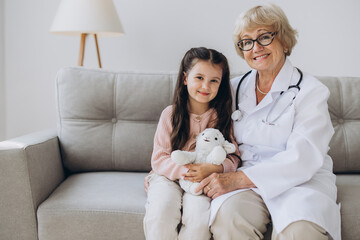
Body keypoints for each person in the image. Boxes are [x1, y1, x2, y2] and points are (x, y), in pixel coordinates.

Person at [195, 4, 341, 240]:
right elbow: (200, 133)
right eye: (247, 42)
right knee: (229, 218)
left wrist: (238, 179)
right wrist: (164, 171)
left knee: (300, 230)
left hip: (300, 182)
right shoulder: (232, 88)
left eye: (264, 37)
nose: (256, 48)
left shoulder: (311, 91)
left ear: (284, 41)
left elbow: (303, 157)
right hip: (245, 181)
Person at [143, 47, 241, 240]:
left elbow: (233, 156)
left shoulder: (222, 118)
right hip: (167, 177)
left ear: (221, 85)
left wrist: (216, 168)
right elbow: (159, 158)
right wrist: (187, 171)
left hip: (202, 180)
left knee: (199, 221)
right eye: (199, 78)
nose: (206, 86)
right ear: (185, 78)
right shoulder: (170, 114)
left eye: (214, 81)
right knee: (161, 213)